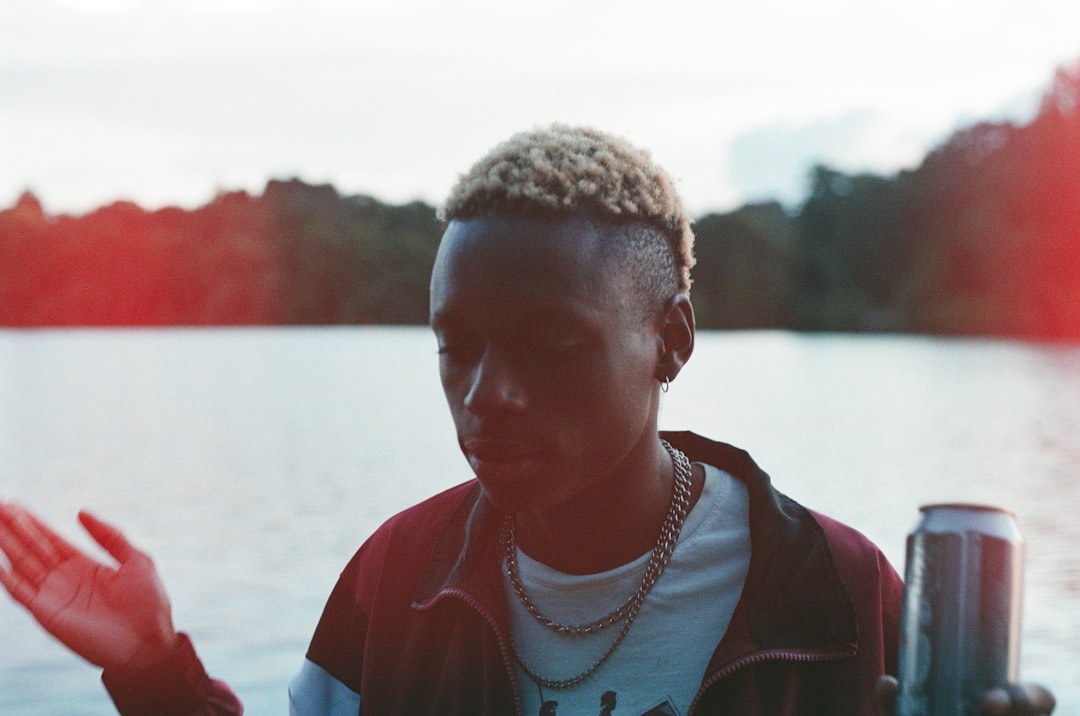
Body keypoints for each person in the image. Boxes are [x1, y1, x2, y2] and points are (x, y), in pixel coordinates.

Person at [0, 125, 1055, 715]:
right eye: (456, 344)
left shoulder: (830, 588)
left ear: (671, 342)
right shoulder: (395, 578)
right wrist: (151, 667)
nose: (486, 391)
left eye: (550, 344)